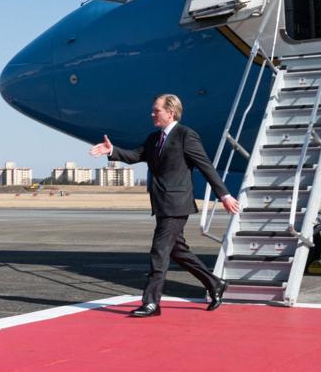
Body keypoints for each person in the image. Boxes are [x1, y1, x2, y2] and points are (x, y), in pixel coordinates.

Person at [89, 93, 240, 317]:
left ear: (171, 112)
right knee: (178, 252)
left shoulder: (185, 136)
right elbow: (134, 155)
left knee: (159, 252)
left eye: (156, 110)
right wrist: (112, 151)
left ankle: (151, 303)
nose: (152, 113)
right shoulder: (153, 139)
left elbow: (206, 166)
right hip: (161, 204)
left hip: (177, 205)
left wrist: (224, 195)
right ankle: (215, 283)